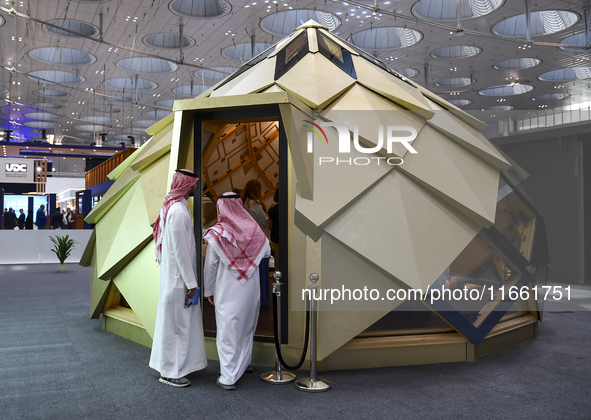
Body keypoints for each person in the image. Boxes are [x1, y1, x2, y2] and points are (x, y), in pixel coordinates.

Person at [203, 192, 271, 390]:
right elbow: (267, 252)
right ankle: (244, 363)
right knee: (247, 327)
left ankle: (228, 376)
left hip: (228, 291)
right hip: (250, 290)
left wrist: (208, 290)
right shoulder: (254, 230)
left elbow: (211, 267)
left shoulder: (217, 234)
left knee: (228, 331)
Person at [149, 169, 207, 388]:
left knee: (178, 326)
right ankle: (171, 372)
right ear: (187, 185)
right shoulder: (178, 212)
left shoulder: (176, 208)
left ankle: (178, 367)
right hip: (178, 282)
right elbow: (181, 252)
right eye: (193, 184)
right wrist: (191, 284)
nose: (195, 187)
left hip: (175, 279)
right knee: (177, 327)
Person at [242, 179, 270, 307]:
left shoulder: (244, 204)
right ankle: (262, 300)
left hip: (247, 243)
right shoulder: (255, 204)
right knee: (261, 273)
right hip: (258, 243)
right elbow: (265, 222)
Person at [267, 189, 279, 270]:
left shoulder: (272, 210)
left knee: (278, 261)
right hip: (291, 238)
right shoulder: (292, 208)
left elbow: (269, 226)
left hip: (277, 238)